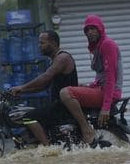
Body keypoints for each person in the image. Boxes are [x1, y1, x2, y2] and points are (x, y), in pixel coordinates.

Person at [60, 15, 122, 144]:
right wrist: (89, 85)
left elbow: (111, 77)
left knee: (65, 93)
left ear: (100, 29)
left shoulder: (107, 44)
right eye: (87, 30)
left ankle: (86, 128)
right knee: (76, 86)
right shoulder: (98, 47)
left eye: (93, 28)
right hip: (102, 89)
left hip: (108, 93)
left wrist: (105, 108)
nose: (89, 32)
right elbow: (102, 76)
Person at [10, 30, 78, 145]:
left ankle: (47, 148)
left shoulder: (63, 57)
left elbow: (46, 76)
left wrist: (21, 87)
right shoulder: (54, 60)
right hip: (56, 105)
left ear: (53, 43)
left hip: (63, 107)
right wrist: (22, 91)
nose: (39, 46)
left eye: (42, 43)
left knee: (27, 117)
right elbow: (44, 86)